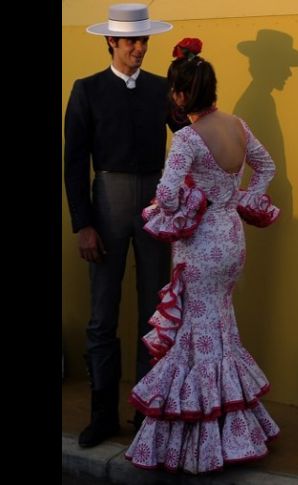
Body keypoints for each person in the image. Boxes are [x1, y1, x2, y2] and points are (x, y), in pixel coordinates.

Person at [124, 37, 281, 474]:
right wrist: (243, 197)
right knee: (219, 327)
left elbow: (166, 195)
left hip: (199, 246)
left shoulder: (188, 140)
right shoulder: (238, 125)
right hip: (231, 239)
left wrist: (188, 205)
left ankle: (208, 441)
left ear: (179, 94)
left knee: (197, 331)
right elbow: (267, 167)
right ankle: (233, 430)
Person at [64, 3, 185, 448]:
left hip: (156, 200)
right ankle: (102, 414)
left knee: (155, 311)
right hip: (108, 201)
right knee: (102, 312)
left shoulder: (161, 88)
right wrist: (83, 223)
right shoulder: (88, 89)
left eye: (144, 40)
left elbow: (186, 135)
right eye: (132, 40)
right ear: (111, 41)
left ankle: (147, 414)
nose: (139, 48)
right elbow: (74, 162)